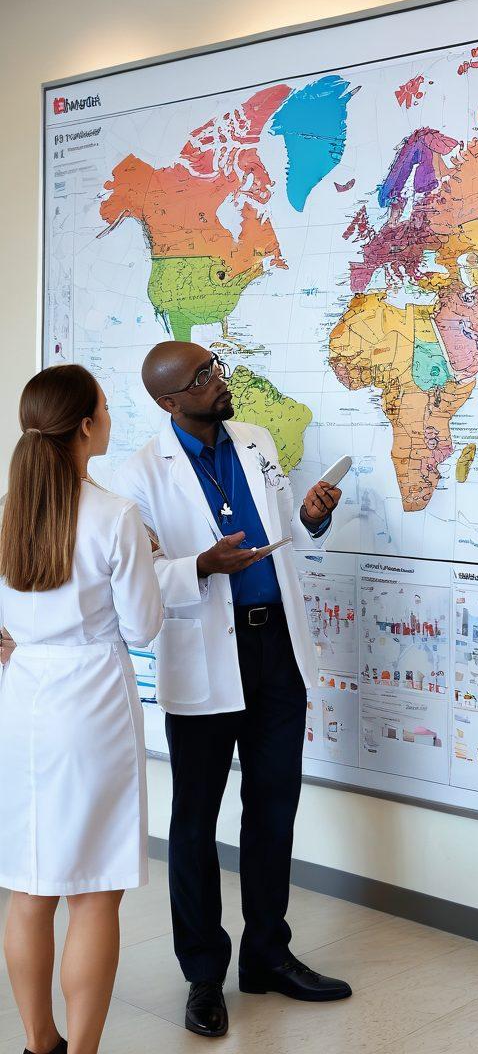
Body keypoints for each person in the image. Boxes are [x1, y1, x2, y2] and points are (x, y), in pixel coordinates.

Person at [113, 342, 350, 1040]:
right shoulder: (136, 478)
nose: (220, 381)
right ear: (169, 402)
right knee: (193, 824)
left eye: (215, 367)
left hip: (274, 644)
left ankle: (268, 955)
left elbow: (286, 538)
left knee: (274, 808)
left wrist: (310, 517)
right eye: (203, 378)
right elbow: (139, 585)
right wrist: (200, 566)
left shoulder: (254, 440)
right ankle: (203, 975)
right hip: (203, 653)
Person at [0, 364, 163, 1054]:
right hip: (93, 704)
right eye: (105, 406)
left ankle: (40, 1043)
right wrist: (149, 559)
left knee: (30, 885)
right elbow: (145, 627)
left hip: (24, 700)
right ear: (88, 426)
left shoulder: (9, 509)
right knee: (95, 892)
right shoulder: (116, 516)